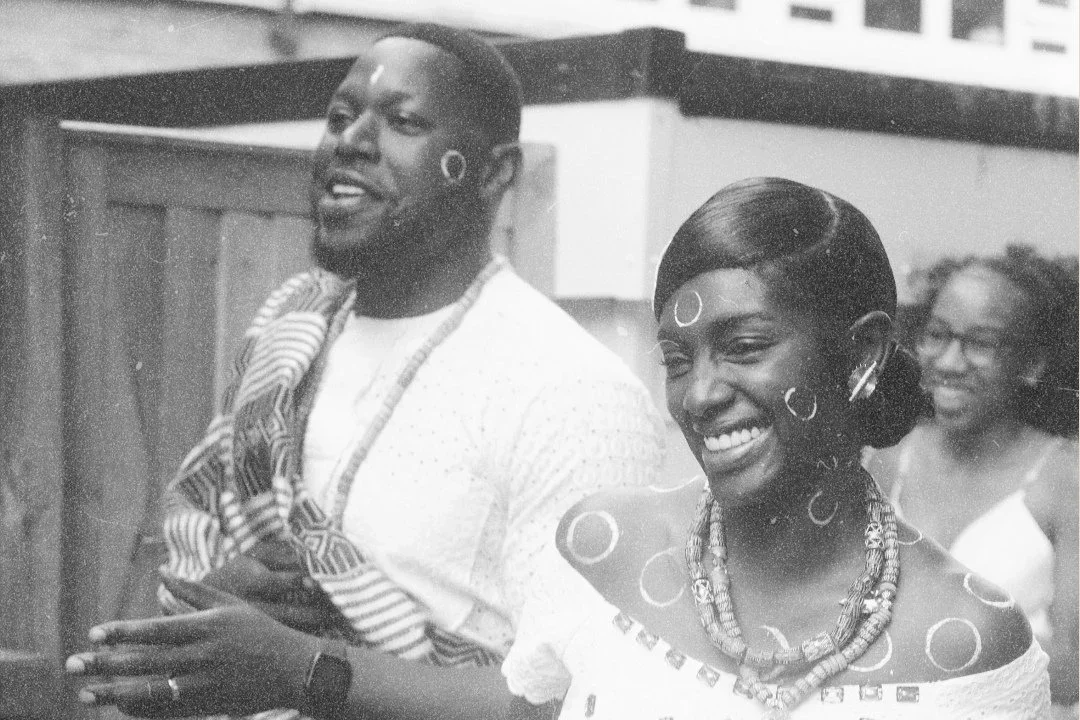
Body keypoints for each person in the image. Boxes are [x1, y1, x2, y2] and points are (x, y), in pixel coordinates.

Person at [65, 22, 663, 719]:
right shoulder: (292, 335)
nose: (351, 141)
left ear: (496, 173)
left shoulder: (570, 391)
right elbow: (210, 539)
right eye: (341, 117)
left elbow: (586, 695)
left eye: (404, 121)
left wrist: (305, 670)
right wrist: (229, 598)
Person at [501, 177, 1051, 718]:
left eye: (744, 347)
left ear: (862, 354)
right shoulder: (604, 549)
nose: (698, 395)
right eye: (676, 361)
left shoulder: (967, 643)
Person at [865, 246, 1079, 713]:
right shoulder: (888, 463)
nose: (948, 361)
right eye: (936, 335)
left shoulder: (1066, 479)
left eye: (979, 343)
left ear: (1033, 363)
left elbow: (1072, 673)